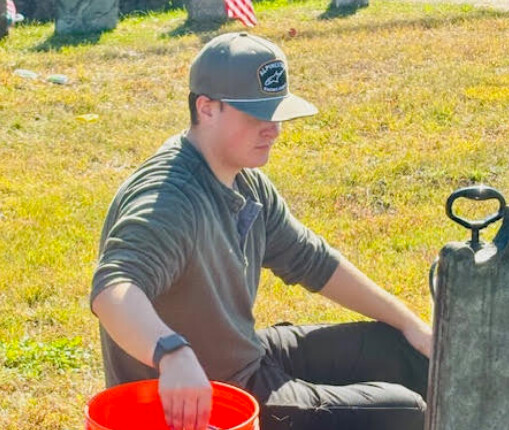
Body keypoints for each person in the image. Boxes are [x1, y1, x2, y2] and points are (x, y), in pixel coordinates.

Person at [91, 32, 431, 430]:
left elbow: (313, 261)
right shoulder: (169, 198)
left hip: (245, 354)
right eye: (257, 115)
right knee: (403, 413)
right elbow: (113, 290)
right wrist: (172, 354)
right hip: (212, 402)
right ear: (207, 108)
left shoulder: (243, 179)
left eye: (277, 114)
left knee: (406, 351)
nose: (274, 129)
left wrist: (412, 325)